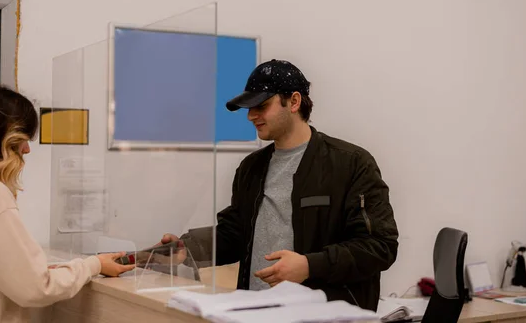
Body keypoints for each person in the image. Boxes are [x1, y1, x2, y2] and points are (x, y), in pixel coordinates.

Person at [158, 59, 399, 311]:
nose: (251, 116)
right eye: (249, 108)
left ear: (294, 102)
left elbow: (380, 246)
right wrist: (188, 248)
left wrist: (309, 265)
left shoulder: (351, 163)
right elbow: (236, 235)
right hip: (253, 312)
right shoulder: (251, 167)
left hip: (322, 315)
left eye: (261, 106)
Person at [0, 85, 135, 323]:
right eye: (24, 139)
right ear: (0, 136)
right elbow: (36, 288)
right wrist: (93, 265)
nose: (27, 149)